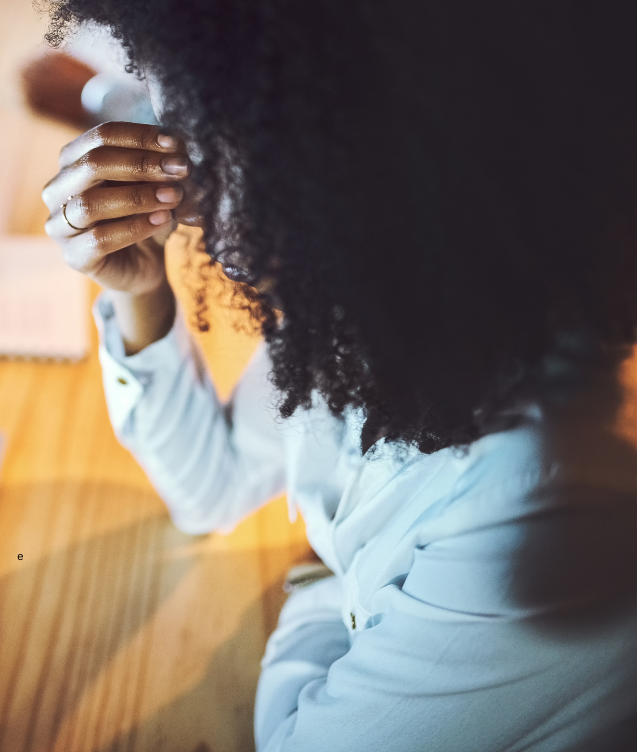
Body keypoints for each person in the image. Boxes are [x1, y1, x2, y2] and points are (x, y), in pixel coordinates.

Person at [40, 1, 637, 750]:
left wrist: (319, 586)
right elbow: (208, 489)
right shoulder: (375, 306)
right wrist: (140, 291)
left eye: (211, 142)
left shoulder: (540, 504)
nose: (186, 203)